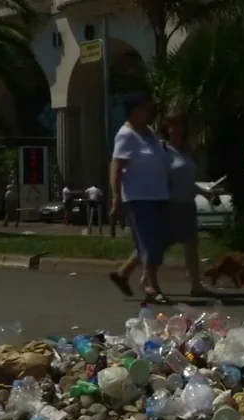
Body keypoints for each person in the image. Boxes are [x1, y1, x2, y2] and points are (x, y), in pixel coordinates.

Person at [114, 112, 211, 297]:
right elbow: (156, 175)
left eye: (181, 125)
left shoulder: (186, 150)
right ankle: (135, 276)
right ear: (166, 129)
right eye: (173, 126)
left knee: (190, 244)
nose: (177, 130)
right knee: (155, 245)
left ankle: (195, 284)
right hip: (169, 203)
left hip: (187, 203)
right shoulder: (162, 150)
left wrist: (204, 192)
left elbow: (186, 179)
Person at [107, 92, 172, 304]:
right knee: (149, 243)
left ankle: (124, 273)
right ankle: (151, 285)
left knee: (156, 241)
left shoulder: (150, 133)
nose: (149, 112)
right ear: (134, 111)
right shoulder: (126, 134)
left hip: (158, 194)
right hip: (139, 196)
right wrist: (116, 197)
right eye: (144, 108)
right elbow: (116, 166)